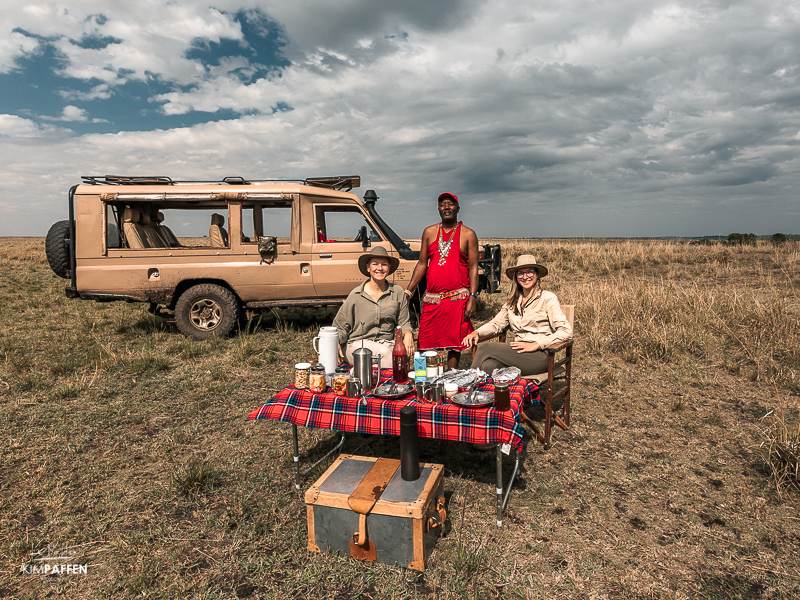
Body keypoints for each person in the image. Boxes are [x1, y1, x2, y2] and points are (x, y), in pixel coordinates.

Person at [462, 255, 572, 375]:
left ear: (537, 275)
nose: (525, 277)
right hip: (518, 352)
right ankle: (499, 393)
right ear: (516, 277)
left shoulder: (547, 298)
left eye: (530, 272)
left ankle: (467, 386)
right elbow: (496, 324)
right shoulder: (513, 301)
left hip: (539, 356)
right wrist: (476, 332)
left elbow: (566, 331)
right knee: (489, 365)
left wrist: (537, 344)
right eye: (521, 273)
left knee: (484, 348)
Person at [404, 192, 478, 369]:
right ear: (438, 209)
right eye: (443, 204)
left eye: (451, 204)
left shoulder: (468, 234)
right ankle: (424, 380)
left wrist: (473, 297)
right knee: (424, 342)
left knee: (455, 345)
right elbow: (422, 264)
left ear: (458, 208)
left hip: (457, 298)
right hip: (432, 299)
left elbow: (473, 267)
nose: (446, 207)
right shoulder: (429, 232)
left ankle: (449, 377)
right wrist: (409, 289)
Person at [333, 246, 415, 369]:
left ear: (389, 268)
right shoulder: (356, 295)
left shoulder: (397, 292)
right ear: (368, 267)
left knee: (397, 357)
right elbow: (340, 326)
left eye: (384, 264)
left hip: (387, 344)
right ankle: (389, 386)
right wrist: (336, 341)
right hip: (357, 346)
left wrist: (408, 334)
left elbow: (404, 322)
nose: (379, 268)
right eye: (375, 264)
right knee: (386, 354)